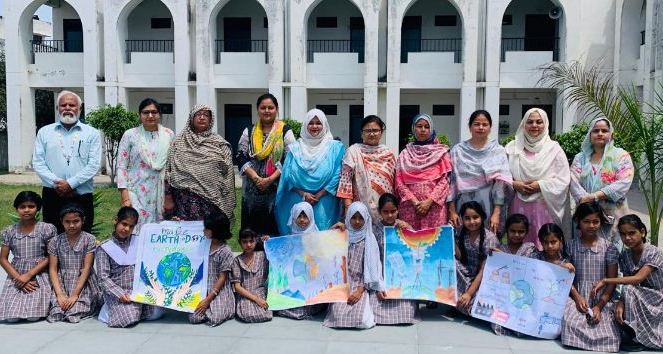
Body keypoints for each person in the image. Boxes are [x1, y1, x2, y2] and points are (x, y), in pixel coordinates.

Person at [32, 90, 102, 233]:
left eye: (72, 105)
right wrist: (58, 184)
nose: (68, 108)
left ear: (80, 109)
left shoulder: (92, 133)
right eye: (63, 105)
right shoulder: (44, 132)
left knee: (83, 237)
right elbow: (38, 163)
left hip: (81, 194)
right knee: (52, 237)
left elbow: (94, 164)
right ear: (58, 109)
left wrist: (71, 184)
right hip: (53, 193)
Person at [590, 215, 662, 351]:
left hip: (658, 299)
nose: (627, 238)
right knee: (615, 305)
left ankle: (635, 337)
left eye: (632, 233)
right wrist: (621, 302)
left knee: (628, 290)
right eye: (623, 234)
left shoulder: (653, 252)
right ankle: (631, 334)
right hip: (641, 299)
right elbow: (629, 281)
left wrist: (606, 280)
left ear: (642, 232)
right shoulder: (625, 256)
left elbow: (637, 279)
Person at [506, 108, 570, 250]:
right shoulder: (512, 148)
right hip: (518, 205)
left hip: (545, 205)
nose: (534, 125)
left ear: (545, 124)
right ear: (523, 124)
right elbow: (502, 176)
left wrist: (540, 185)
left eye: (539, 122)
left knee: (544, 243)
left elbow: (563, 179)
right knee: (519, 241)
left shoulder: (554, 149)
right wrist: (515, 184)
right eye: (530, 122)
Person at [561, 202, 620, 352]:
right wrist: (577, 297)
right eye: (586, 221)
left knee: (609, 331)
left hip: (602, 298)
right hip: (577, 294)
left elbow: (612, 282)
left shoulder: (609, 248)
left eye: (595, 221)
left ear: (601, 222)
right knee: (569, 322)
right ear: (578, 222)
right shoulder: (570, 246)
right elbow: (566, 277)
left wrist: (599, 307)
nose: (591, 225)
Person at [275, 108, 345, 234]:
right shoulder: (295, 148)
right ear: (305, 125)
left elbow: (338, 174)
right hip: (298, 197)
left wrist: (320, 194)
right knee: (299, 237)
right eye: (310, 123)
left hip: (325, 198)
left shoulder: (335, 147)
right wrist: (303, 193)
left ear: (324, 125)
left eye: (318, 123)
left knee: (324, 235)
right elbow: (288, 175)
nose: (314, 126)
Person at [164, 104, 235, 222]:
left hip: (211, 201)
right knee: (185, 236)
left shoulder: (219, 144)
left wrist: (225, 199)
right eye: (198, 114)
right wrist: (168, 196)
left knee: (209, 236)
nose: (202, 117)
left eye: (206, 115)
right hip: (183, 200)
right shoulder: (178, 142)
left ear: (211, 120)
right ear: (191, 118)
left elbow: (227, 174)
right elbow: (169, 170)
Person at [237, 94, 296, 235]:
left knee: (274, 233)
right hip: (251, 192)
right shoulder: (249, 131)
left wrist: (270, 180)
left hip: (276, 192)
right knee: (251, 233)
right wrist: (256, 178)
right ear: (257, 110)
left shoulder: (285, 131)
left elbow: (291, 158)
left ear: (276, 110)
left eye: (271, 107)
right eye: (263, 108)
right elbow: (240, 156)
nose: (267, 111)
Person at [570, 117, 634, 246]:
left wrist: (595, 196)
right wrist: (585, 198)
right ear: (590, 134)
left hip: (613, 213)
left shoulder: (621, 155)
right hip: (586, 213)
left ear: (610, 134)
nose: (600, 133)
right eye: (596, 130)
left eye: (604, 130)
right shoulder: (580, 157)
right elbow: (572, 180)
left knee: (611, 251)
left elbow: (624, 182)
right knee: (583, 248)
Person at [95, 207, 163, 327]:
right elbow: (103, 278)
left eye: (131, 226)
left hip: (139, 290)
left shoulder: (139, 241)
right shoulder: (105, 247)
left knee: (157, 311)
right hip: (120, 293)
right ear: (116, 221)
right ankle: (107, 310)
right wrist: (120, 294)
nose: (126, 229)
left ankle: (134, 309)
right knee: (130, 317)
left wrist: (174, 225)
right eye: (124, 224)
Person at [447, 110, 512, 234]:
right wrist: (452, 211)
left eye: (485, 124)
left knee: (489, 243)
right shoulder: (458, 151)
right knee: (464, 242)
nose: (481, 128)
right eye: (476, 124)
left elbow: (500, 185)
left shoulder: (498, 151)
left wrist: (496, 213)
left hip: (489, 204)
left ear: (490, 127)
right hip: (463, 203)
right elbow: (451, 182)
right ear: (470, 127)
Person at [116, 98, 175, 228]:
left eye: (154, 112)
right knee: (135, 226)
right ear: (139, 115)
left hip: (160, 192)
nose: (150, 116)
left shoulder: (169, 134)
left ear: (160, 115)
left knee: (157, 229)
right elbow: (121, 166)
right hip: (136, 190)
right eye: (145, 112)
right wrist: (125, 197)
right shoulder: (130, 135)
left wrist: (169, 194)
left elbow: (172, 166)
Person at [323, 202, 383, 329]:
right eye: (353, 217)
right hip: (341, 284)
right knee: (338, 315)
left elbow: (372, 270)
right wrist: (333, 230)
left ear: (366, 219)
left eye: (361, 218)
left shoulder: (369, 238)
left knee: (360, 319)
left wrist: (360, 291)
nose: (357, 222)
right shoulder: (342, 236)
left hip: (361, 285)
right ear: (348, 217)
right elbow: (324, 253)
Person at [0, 192, 57, 322]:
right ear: (16, 209)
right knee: (11, 318)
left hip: (39, 273)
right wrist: (18, 278)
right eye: (22, 207)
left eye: (31, 206)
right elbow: (3, 258)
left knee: (33, 316)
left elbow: (51, 256)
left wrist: (29, 275)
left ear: (37, 208)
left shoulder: (46, 228)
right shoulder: (9, 231)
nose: (26, 210)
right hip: (16, 274)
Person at [395, 114, 453, 230]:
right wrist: (414, 201)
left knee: (433, 243)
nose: (422, 130)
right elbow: (398, 181)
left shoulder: (441, 153)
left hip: (434, 208)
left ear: (431, 129)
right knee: (410, 243)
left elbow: (445, 180)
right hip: (410, 207)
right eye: (419, 126)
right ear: (413, 128)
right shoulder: (405, 154)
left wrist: (429, 201)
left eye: (426, 127)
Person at [369, 193, 419, 325]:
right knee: (373, 311)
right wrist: (378, 285)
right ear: (380, 212)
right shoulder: (374, 231)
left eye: (393, 211)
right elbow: (372, 261)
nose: (390, 215)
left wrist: (409, 230)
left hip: (403, 278)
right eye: (385, 212)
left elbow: (416, 250)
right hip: (381, 278)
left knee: (407, 314)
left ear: (398, 210)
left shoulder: (403, 227)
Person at [47, 205, 101, 323]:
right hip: (62, 282)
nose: (72, 225)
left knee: (73, 312)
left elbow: (87, 268)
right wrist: (60, 294)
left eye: (76, 221)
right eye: (67, 222)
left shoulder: (89, 239)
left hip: (82, 282)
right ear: (61, 222)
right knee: (58, 311)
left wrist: (75, 294)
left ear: (83, 220)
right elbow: (52, 269)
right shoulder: (55, 241)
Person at [337, 115, 396, 221]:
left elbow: (394, 183)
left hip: (386, 211)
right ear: (361, 133)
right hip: (359, 211)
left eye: (375, 130)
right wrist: (349, 208)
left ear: (381, 132)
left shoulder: (388, 154)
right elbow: (345, 183)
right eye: (368, 130)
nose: (372, 134)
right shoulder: (353, 151)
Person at [275, 202, 325, 319]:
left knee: (307, 301)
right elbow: (284, 257)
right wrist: (269, 241)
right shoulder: (291, 237)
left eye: (305, 216)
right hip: (295, 277)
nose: (302, 220)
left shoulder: (317, 237)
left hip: (312, 279)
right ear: (294, 217)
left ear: (311, 218)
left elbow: (321, 259)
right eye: (299, 216)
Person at [489, 213, 537, 335]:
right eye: (513, 231)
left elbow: (527, 270)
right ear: (507, 231)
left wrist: (504, 257)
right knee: (498, 322)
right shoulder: (500, 248)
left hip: (524, 293)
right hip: (504, 293)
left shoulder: (530, 248)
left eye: (521, 231)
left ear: (526, 232)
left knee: (525, 322)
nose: (516, 235)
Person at [189, 213, 235, 326]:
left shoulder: (225, 251)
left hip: (218, 289)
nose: (203, 231)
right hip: (202, 288)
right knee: (194, 318)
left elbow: (222, 277)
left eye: (206, 228)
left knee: (215, 317)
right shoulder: (203, 245)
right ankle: (208, 308)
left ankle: (225, 306)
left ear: (215, 230)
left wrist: (208, 300)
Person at [455, 201, 500, 315]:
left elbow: (485, 270)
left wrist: (469, 293)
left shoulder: (490, 238)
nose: (472, 222)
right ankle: (458, 302)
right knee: (449, 262)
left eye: (475, 217)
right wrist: (450, 234)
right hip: (464, 276)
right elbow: (459, 257)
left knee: (477, 308)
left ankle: (464, 303)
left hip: (482, 280)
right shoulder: (460, 231)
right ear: (462, 219)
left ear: (483, 217)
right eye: (467, 218)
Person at [231, 229, 272, 323]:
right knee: (247, 314)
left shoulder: (262, 256)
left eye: (251, 241)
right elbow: (237, 287)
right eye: (245, 242)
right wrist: (256, 299)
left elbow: (277, 256)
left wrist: (269, 242)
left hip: (260, 291)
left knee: (264, 313)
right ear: (239, 242)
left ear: (256, 241)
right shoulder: (237, 261)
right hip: (245, 294)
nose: (248, 245)